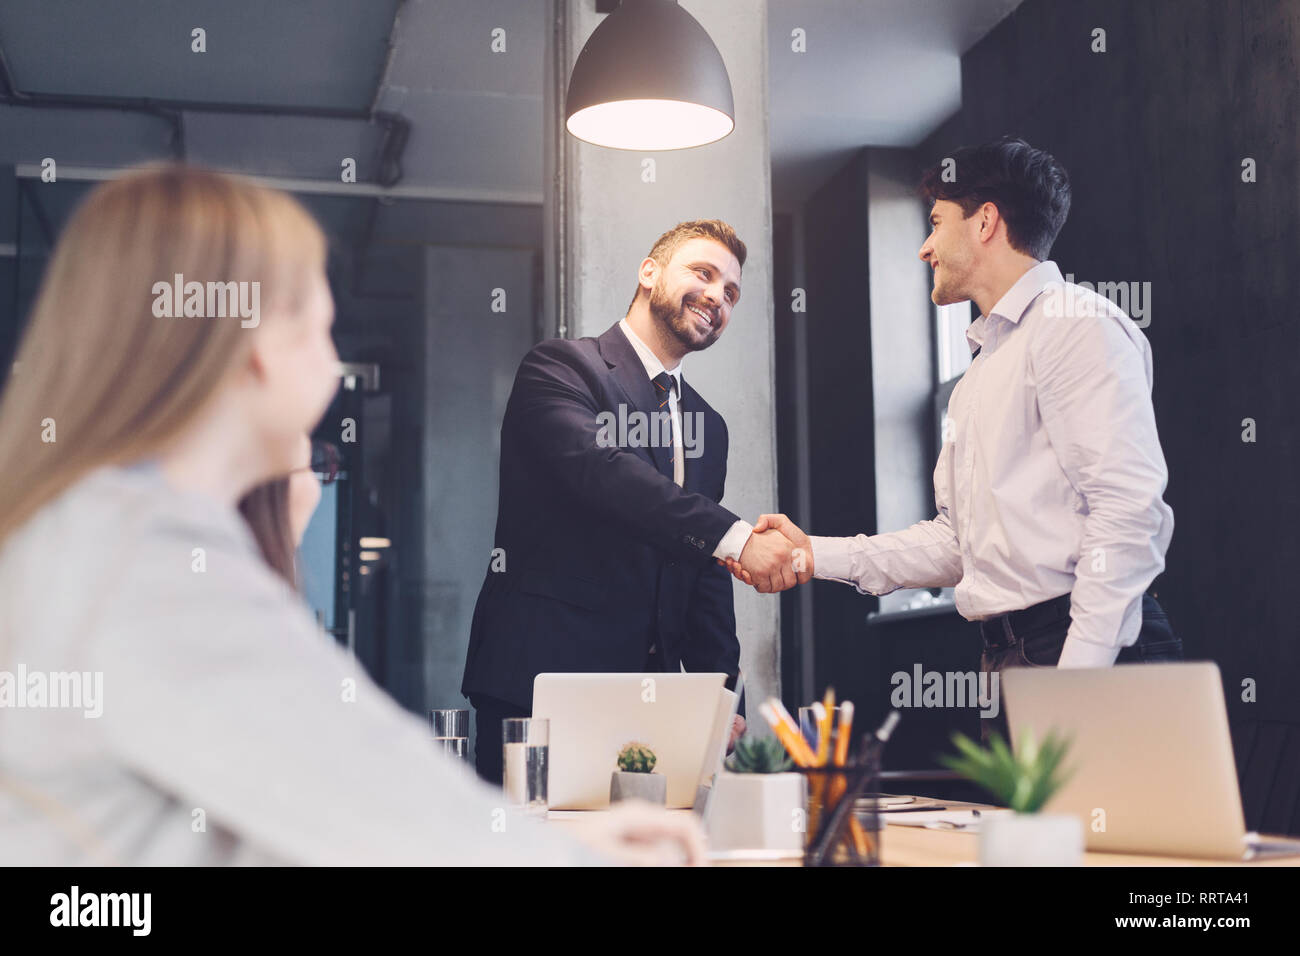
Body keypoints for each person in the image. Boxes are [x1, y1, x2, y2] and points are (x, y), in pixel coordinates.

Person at [0, 162, 705, 865]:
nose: (334, 362)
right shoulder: (148, 558)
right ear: (255, 352)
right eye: (321, 328)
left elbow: (320, 803)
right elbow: (363, 790)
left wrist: (545, 837)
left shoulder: (92, 528)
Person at [726, 137, 1182, 744]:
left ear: (986, 220)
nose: (924, 247)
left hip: (1086, 654)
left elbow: (1127, 514)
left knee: (1116, 841)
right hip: (1010, 662)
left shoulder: (1075, 327)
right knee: (1023, 843)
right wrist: (813, 555)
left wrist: (1078, 681)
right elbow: (958, 544)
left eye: (937, 223)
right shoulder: (981, 372)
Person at [461, 220, 795, 784]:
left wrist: (722, 695)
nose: (717, 295)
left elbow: (703, 566)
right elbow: (605, 473)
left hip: (653, 704)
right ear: (649, 271)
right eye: (703, 273)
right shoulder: (560, 367)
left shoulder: (707, 426)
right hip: (540, 686)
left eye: (731, 293)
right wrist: (739, 537)